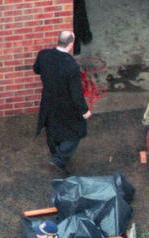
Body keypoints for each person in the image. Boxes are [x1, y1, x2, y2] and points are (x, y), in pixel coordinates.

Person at [34, 30, 92, 174]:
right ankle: (59, 159)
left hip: (48, 100)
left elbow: (36, 70)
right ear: (71, 44)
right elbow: (76, 93)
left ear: (58, 40)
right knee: (77, 131)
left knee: (52, 127)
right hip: (66, 104)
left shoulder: (43, 55)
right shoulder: (71, 66)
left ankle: (55, 153)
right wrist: (85, 111)